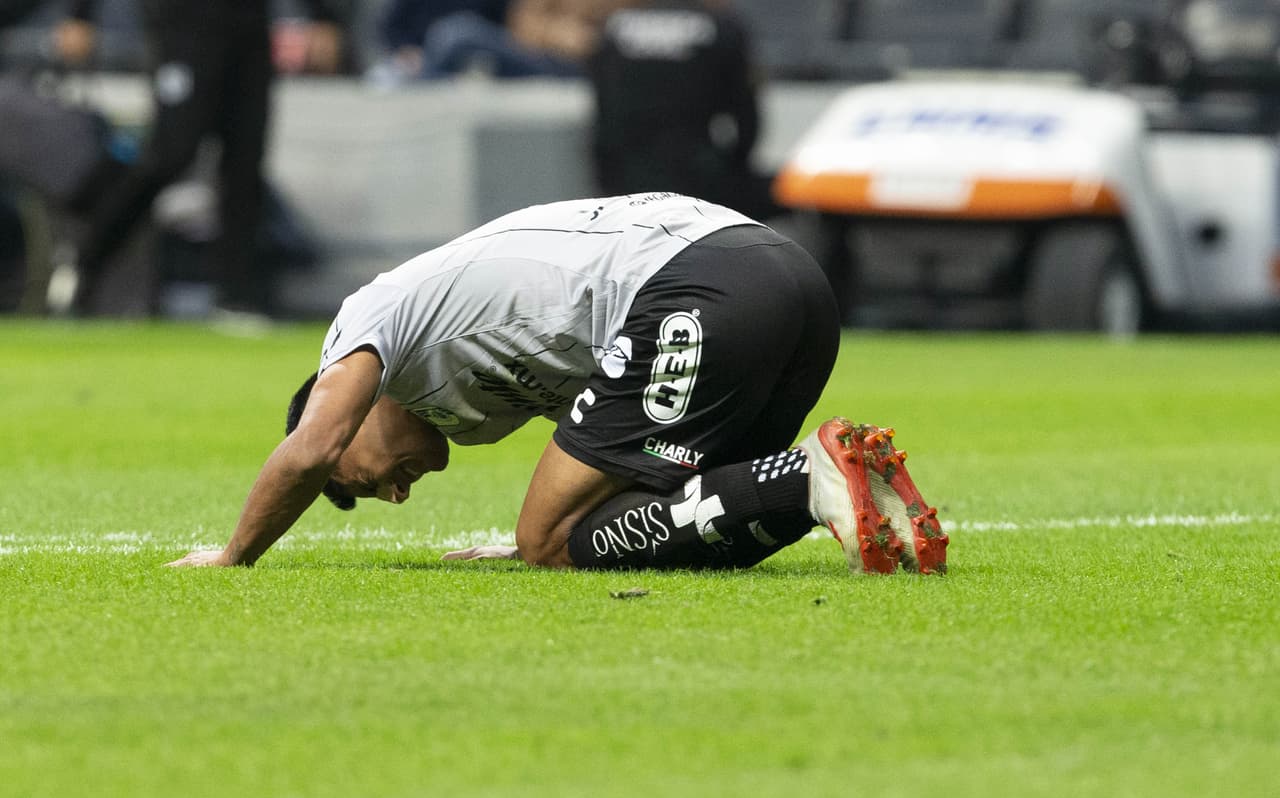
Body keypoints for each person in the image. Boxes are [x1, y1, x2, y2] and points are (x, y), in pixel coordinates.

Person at [168, 193, 947, 574]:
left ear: (352, 408)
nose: (396, 494)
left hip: (702, 287)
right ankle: (847, 483)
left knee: (552, 541)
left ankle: (805, 475)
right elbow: (611, 447)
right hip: (787, 280)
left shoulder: (367, 323)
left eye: (365, 482)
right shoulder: (470, 411)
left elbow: (309, 450)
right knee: (686, 527)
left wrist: (234, 556)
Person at [46, 0, 345, 317]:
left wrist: (322, 15)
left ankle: (236, 297)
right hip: (183, 22)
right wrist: (80, 15)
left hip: (249, 24)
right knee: (172, 152)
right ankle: (85, 254)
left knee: (245, 162)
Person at [588, 0, 782, 221]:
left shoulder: (615, 27)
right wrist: (733, 170)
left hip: (626, 181)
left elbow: (602, 115)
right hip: (699, 178)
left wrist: (606, 178)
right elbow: (746, 118)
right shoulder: (721, 27)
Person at [372, 0, 629, 82]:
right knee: (385, 78)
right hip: (545, 58)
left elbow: (635, 28)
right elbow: (523, 25)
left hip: (597, 68)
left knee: (455, 34)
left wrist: (591, 41)